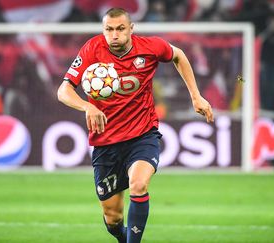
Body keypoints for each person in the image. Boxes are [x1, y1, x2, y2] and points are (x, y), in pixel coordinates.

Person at [57, 8, 214, 243]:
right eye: (109, 29)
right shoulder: (91, 49)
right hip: (106, 142)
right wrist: (87, 106)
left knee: (138, 185)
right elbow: (64, 90)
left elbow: (178, 55)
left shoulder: (150, 47)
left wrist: (195, 95)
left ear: (131, 28)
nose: (114, 35)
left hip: (142, 135)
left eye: (120, 29)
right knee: (112, 218)